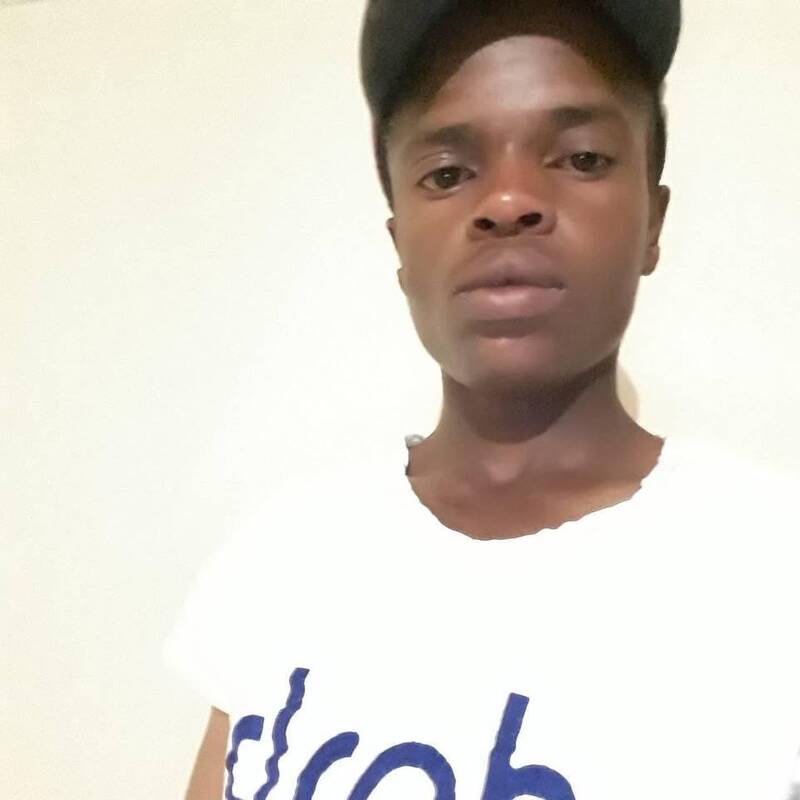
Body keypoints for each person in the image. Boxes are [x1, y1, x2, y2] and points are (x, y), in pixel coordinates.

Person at [165, 0, 800, 798]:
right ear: (400, 244)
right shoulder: (277, 562)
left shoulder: (774, 570)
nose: (508, 201)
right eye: (448, 173)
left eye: (582, 158)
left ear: (653, 220)